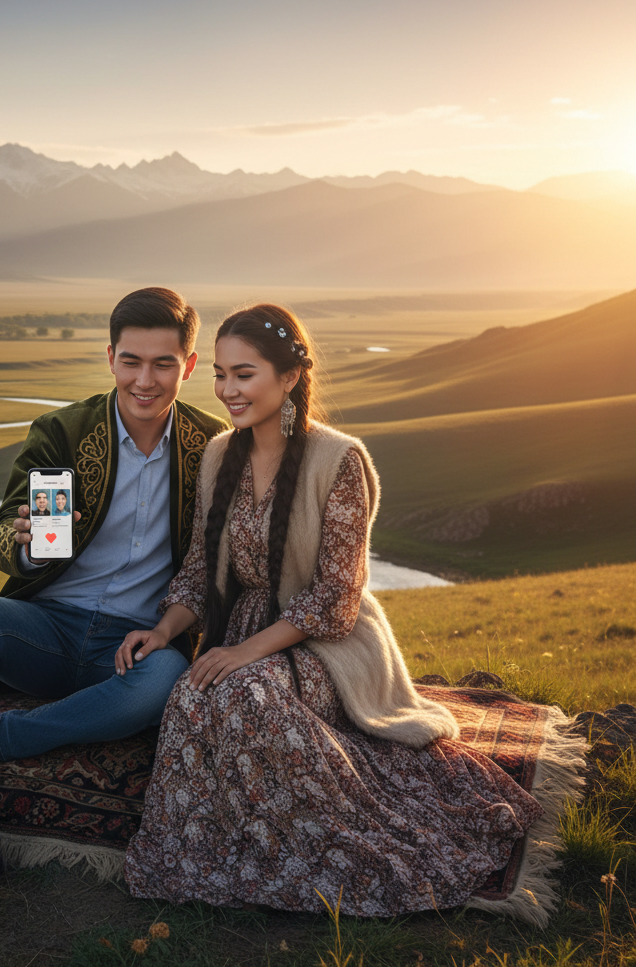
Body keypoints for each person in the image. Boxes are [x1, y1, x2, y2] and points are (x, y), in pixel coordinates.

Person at [119, 304, 543, 915]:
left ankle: (326, 850)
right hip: (246, 628)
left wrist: (244, 653)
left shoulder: (339, 460)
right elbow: (195, 571)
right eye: (219, 374)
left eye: (245, 374)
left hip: (329, 641)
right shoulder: (217, 457)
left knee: (248, 694)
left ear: (288, 377)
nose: (227, 390)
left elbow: (336, 597)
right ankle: (216, 853)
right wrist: (162, 631)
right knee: (192, 693)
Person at [0, 287, 229, 921]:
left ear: (188, 367)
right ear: (109, 358)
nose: (145, 380)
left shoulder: (212, 449)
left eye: (164, 364)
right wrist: (29, 548)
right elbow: (1, 536)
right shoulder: (62, 430)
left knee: (165, 677)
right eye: (131, 361)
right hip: (45, 630)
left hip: (134, 646)